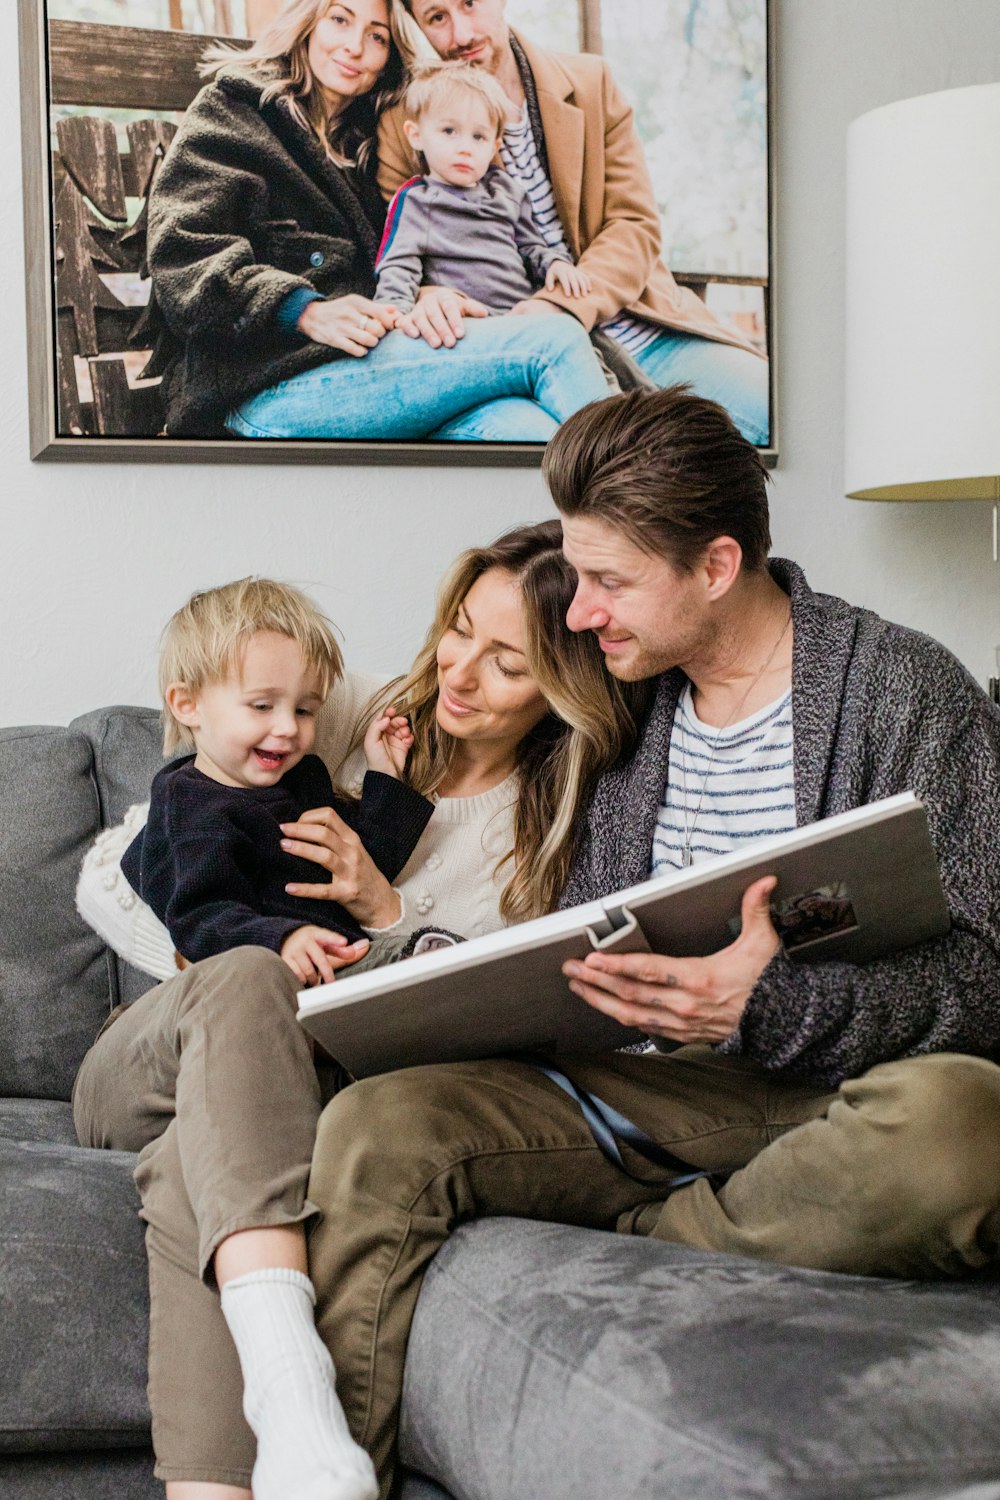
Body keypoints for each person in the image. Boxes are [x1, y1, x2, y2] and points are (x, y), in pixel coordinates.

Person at [302, 387, 1000, 1497]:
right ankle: (326, 1478)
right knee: (382, 1123)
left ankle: (662, 1232)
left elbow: (986, 973)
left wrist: (765, 1006)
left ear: (716, 566)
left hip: (835, 1092)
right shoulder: (623, 710)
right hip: (639, 1088)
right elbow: (556, 916)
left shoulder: (905, 693)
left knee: (965, 1127)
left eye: (609, 582)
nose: (578, 613)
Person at [73, 520, 648, 1500]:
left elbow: (500, 1014)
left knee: (204, 1158)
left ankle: (233, 1473)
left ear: (563, 687)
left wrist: (387, 913)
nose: (458, 669)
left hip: (291, 1095)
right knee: (251, 988)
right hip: (157, 1059)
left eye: (506, 661)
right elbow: (107, 873)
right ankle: (296, 1394)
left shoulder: (553, 828)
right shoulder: (351, 716)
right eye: (460, 628)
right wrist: (224, 947)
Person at [142, 0, 611, 443]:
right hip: (261, 383)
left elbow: (397, 256)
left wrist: (422, 293)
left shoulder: (371, 141)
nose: (355, 47)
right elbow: (184, 253)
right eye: (340, 20)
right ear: (309, 20)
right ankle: (649, 518)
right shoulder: (234, 112)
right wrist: (303, 309)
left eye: (377, 37)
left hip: (372, 362)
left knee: (528, 431)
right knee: (553, 340)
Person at [380, 0, 770, 444]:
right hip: (513, 343)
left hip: (638, 325)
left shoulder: (591, 82)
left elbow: (634, 224)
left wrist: (560, 307)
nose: (461, 33)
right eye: (437, 17)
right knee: (578, 457)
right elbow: (400, 241)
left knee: (774, 414)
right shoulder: (407, 120)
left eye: (470, 4)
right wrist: (427, 293)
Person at [119, 577, 434, 985]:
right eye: (262, 705)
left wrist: (385, 774)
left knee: (411, 965)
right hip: (265, 983)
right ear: (188, 704)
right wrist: (280, 939)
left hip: (342, 970)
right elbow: (200, 917)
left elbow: (367, 866)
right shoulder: (190, 805)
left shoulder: (302, 780)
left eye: (304, 710)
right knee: (406, 961)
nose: (287, 727)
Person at [373, 60, 592, 317]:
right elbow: (398, 265)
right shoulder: (417, 201)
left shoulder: (506, 191)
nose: (465, 147)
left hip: (523, 313)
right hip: (468, 322)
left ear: (493, 147)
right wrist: (393, 313)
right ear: (416, 135)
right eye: (449, 131)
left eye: (478, 137)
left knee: (585, 343)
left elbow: (531, 247)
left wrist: (554, 263)